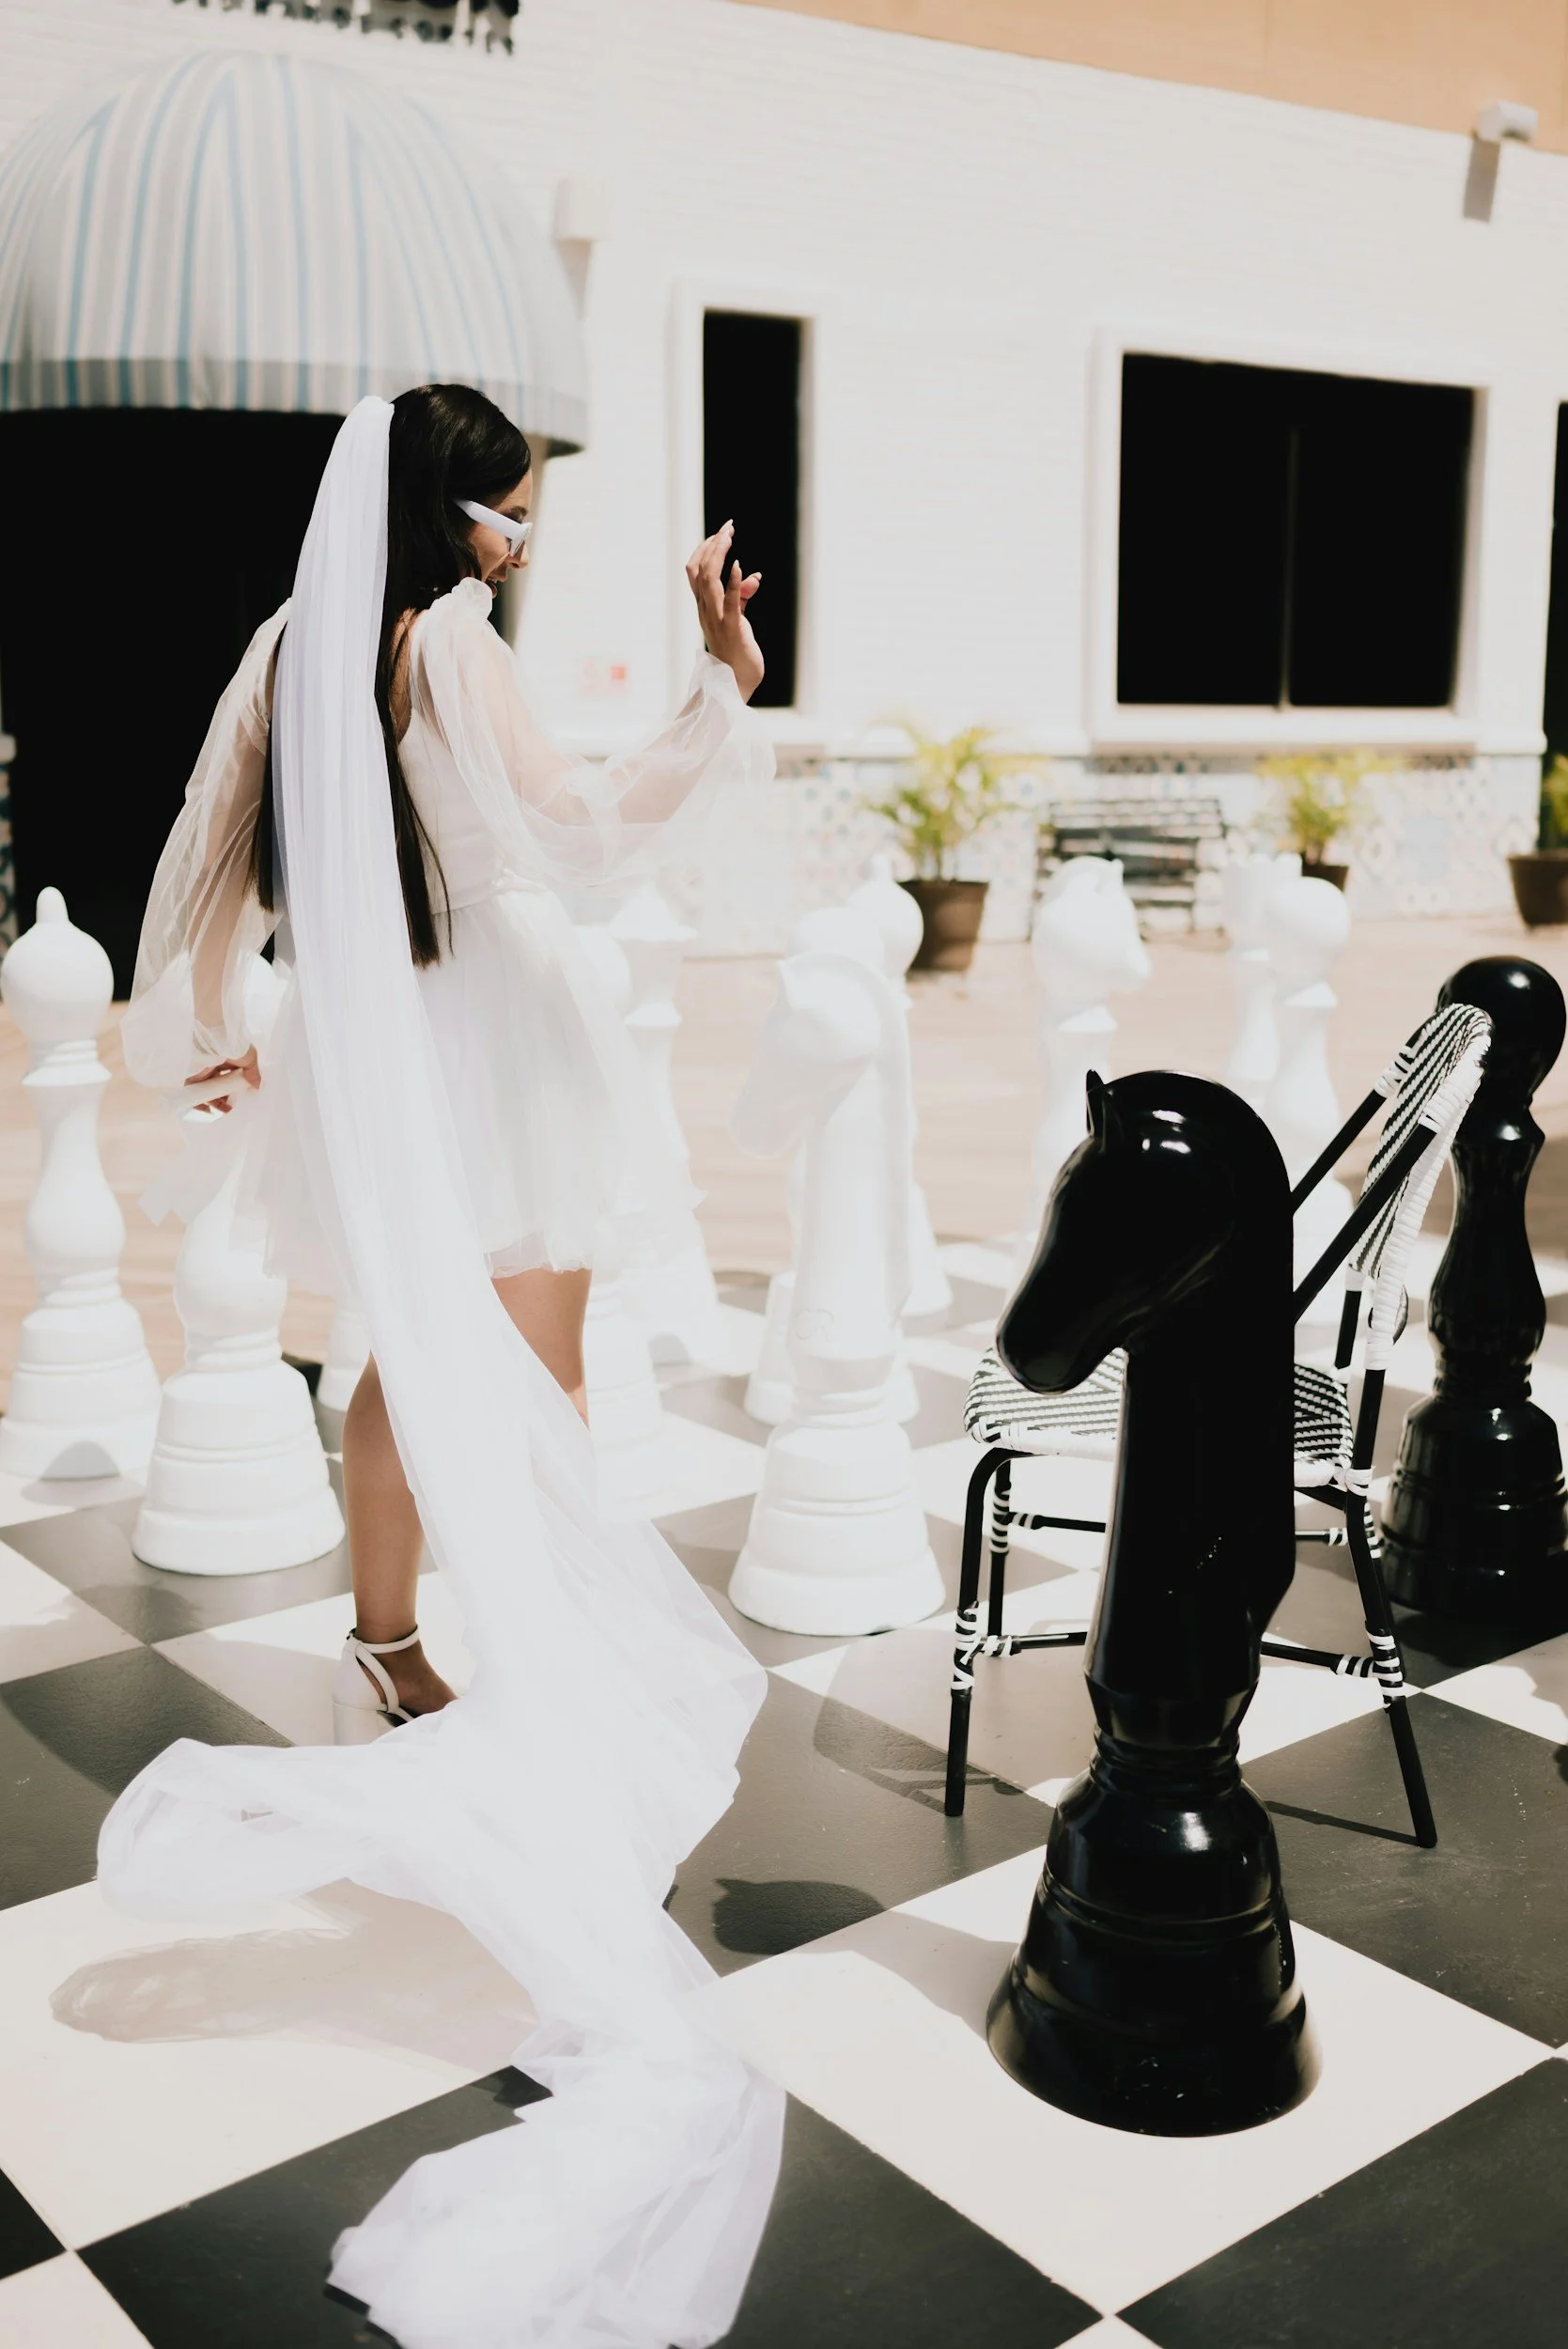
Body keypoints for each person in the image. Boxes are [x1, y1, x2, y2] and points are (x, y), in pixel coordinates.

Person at [99, 389, 785, 2349]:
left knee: (409, 1343)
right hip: (497, 1027)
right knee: (536, 1373)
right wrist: (718, 692)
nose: (520, 539)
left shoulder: (289, 642)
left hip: (365, 1040)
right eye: (514, 508)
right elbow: (573, 842)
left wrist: (192, 1022)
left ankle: (391, 1647)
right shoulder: (463, 648)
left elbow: (208, 832)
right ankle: (527, 1666)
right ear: (463, 517)